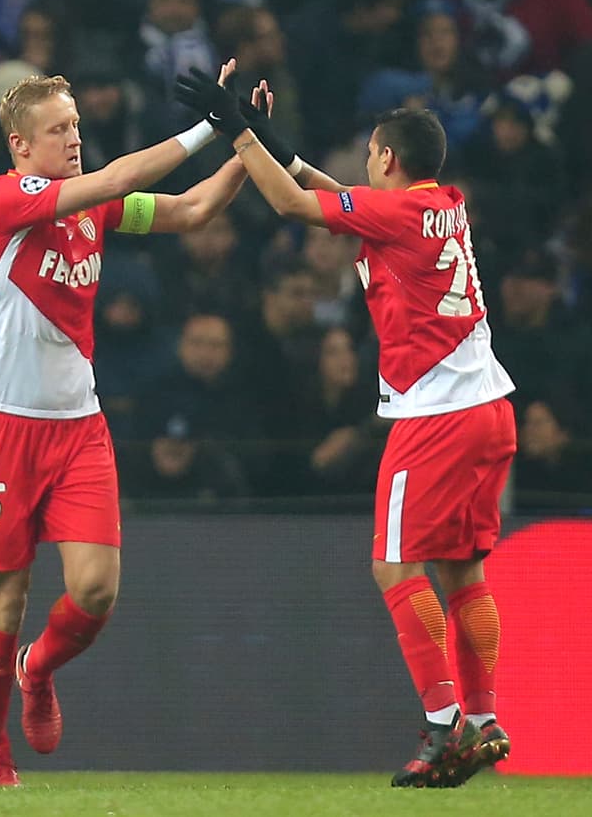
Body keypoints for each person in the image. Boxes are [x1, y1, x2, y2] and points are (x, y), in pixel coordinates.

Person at [174, 70, 517, 787]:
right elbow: (332, 193)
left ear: (388, 159)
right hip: (490, 410)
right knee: (464, 570)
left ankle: (441, 719)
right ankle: (483, 720)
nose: (365, 164)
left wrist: (233, 126)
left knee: (394, 565)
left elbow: (297, 203)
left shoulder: (395, 214)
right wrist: (271, 139)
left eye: (370, 154)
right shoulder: (444, 205)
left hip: (434, 416)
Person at [0, 66, 250, 787]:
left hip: (76, 426)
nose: (75, 138)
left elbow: (189, 211)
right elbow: (118, 179)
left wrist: (247, 142)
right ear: (22, 147)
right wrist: (208, 125)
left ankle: (38, 669)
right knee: (5, 598)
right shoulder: (6, 199)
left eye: (78, 126)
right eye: (59, 130)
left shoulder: (96, 209)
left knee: (95, 592)